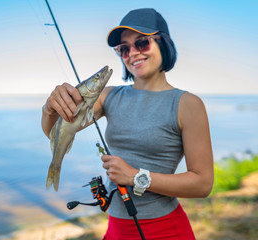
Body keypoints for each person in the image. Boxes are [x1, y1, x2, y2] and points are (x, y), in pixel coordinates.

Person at [41, 8, 213, 240]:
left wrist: (135, 177)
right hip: (116, 230)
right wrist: (49, 109)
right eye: (123, 48)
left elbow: (202, 184)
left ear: (164, 43)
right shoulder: (107, 96)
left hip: (165, 231)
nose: (132, 53)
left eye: (142, 43)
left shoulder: (187, 104)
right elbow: (55, 132)